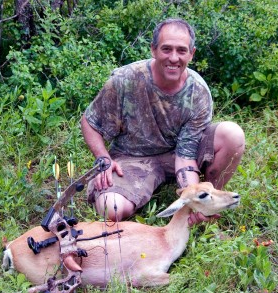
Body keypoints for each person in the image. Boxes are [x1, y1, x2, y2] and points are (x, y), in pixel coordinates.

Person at [81, 18, 245, 225]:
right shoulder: (124, 80)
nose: (174, 58)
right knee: (110, 208)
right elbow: (89, 122)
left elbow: (186, 155)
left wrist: (194, 197)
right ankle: (143, 192)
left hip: (177, 155)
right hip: (132, 158)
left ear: (191, 54)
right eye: (166, 49)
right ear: (153, 50)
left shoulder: (198, 92)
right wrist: (103, 160)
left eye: (181, 50)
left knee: (232, 134)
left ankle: (207, 204)